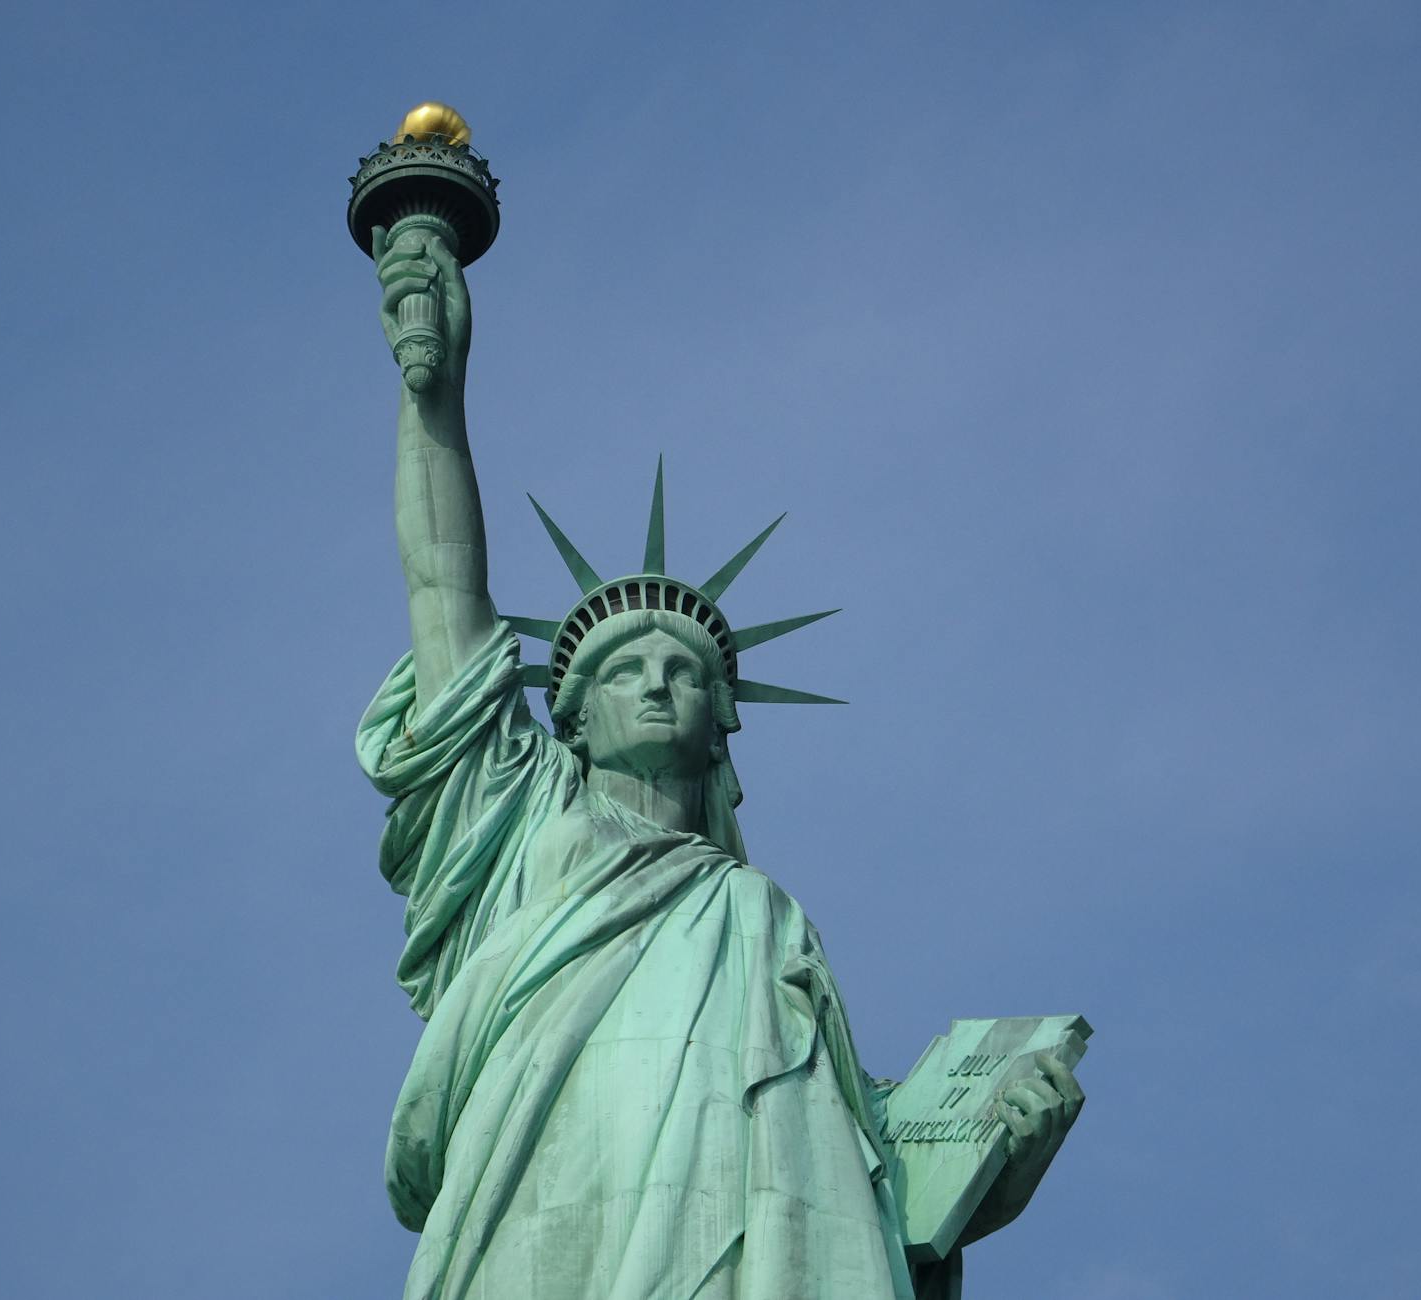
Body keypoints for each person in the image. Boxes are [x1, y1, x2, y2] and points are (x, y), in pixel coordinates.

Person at [356, 220, 1083, 1300]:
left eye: (683, 671)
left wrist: (993, 1166)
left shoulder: (759, 918)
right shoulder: (518, 830)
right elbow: (441, 595)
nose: (655, 683)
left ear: (719, 723)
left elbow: (856, 1154)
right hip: (537, 1233)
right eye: (621, 670)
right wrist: (435, 399)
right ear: (571, 715)